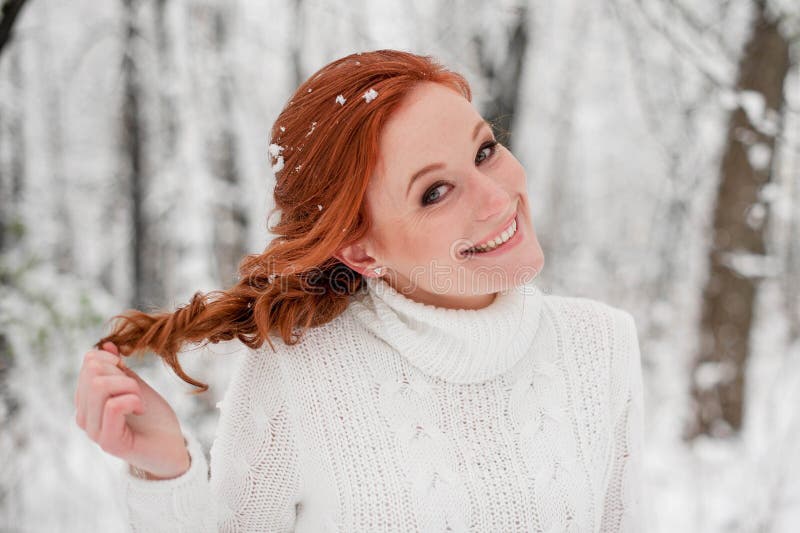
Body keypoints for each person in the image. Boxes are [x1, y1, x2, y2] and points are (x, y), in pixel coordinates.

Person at [74, 49, 645, 532]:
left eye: (485, 151)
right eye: (435, 192)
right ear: (360, 251)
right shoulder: (299, 372)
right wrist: (164, 473)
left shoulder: (601, 344)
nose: (498, 199)